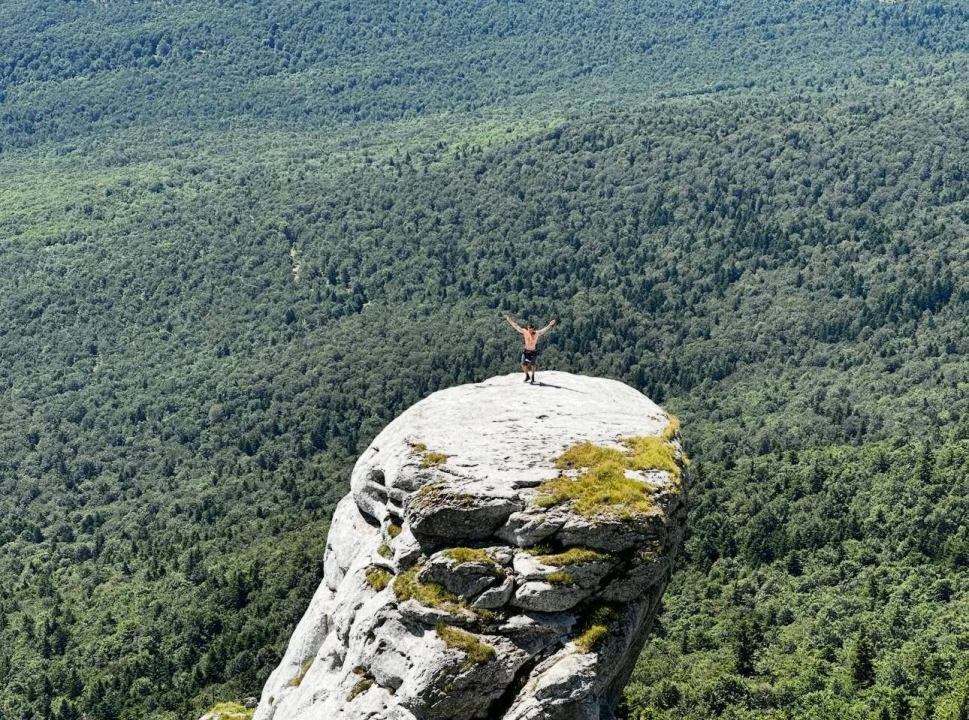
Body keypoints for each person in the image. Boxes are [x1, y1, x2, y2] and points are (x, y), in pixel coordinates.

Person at [503, 314, 557, 383]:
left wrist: (550, 325)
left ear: (533, 329)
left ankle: (533, 377)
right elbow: (516, 326)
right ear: (527, 329)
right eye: (529, 329)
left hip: (533, 351)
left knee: (533, 364)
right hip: (526, 351)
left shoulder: (536, 333)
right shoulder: (525, 332)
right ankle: (527, 376)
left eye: (531, 330)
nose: (530, 331)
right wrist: (508, 319)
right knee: (523, 365)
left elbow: (543, 330)